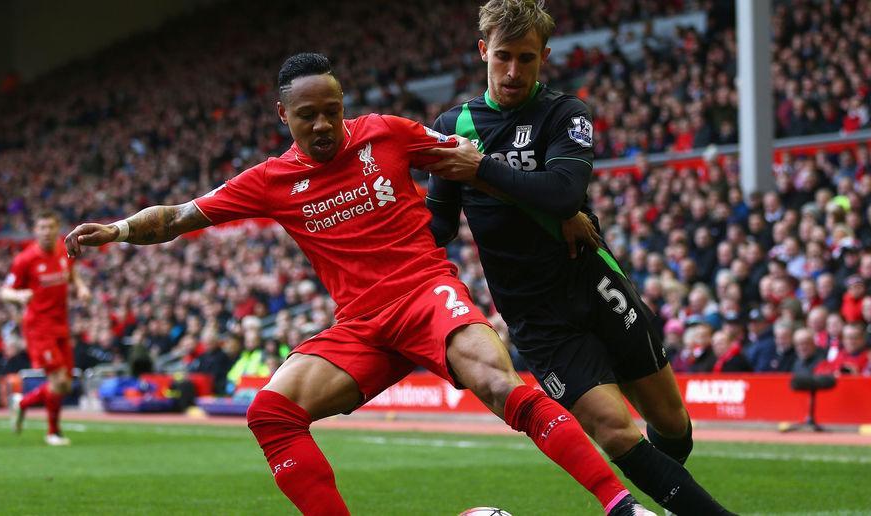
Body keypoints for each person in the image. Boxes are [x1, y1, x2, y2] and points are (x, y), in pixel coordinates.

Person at [64, 53, 652, 516]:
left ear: (343, 104)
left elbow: (475, 161)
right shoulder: (269, 181)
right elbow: (176, 218)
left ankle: (619, 506)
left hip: (425, 294)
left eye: (332, 110)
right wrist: (116, 230)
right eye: (307, 115)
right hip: (362, 327)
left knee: (498, 382)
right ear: (283, 115)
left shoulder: (388, 134)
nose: (323, 124)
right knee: (270, 412)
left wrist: (561, 213)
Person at [423, 1, 731, 514]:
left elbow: (564, 193)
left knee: (672, 423)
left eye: (526, 58)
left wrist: (478, 170)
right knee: (613, 431)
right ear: (483, 52)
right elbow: (440, 225)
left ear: (544, 56)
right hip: (536, 314)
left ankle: (671, 489)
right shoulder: (453, 124)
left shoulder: (566, 113)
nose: (513, 72)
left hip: (593, 280)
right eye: (503, 57)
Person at [1, 210, 90, 445]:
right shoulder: (25, 259)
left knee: (66, 383)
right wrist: (19, 296)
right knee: (59, 381)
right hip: (39, 327)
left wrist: (80, 288)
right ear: (35, 230)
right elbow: (5, 291)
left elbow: (72, 273)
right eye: (42, 227)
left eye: (50, 227)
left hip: (62, 324)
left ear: (57, 228)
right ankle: (53, 432)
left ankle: (21, 403)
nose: (46, 232)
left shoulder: (63, 249)